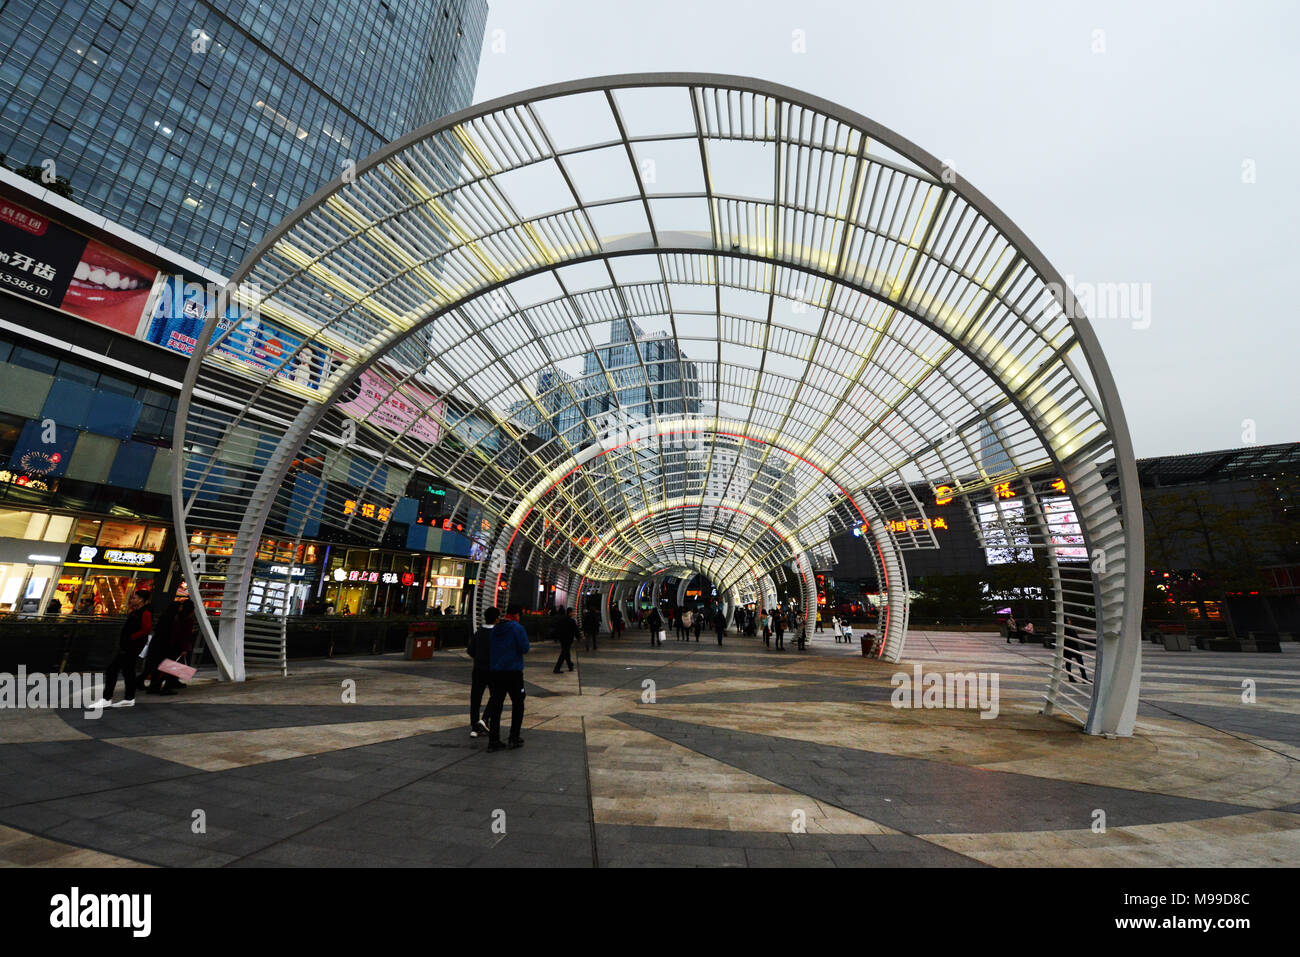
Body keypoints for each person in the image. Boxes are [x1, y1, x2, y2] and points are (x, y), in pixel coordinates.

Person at [90, 589, 152, 709]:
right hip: (130, 645)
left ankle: (108, 698)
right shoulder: (137, 612)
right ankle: (128, 698)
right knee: (127, 672)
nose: (132, 599)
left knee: (113, 670)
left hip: (131, 646)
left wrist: (131, 637)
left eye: (134, 598)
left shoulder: (144, 613)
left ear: (141, 600)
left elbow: (146, 628)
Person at [485, 603, 530, 751]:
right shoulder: (517, 628)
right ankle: (514, 737)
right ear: (517, 615)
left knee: (496, 706)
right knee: (518, 704)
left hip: (496, 672)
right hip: (513, 672)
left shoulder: (495, 628)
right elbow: (525, 648)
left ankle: (494, 740)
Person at [146, 598, 196, 695]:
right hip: (172, 646)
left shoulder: (169, 617)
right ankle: (166, 687)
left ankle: (155, 686)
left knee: (161, 666)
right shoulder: (183, 620)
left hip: (162, 645)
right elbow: (183, 635)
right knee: (172, 667)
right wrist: (184, 648)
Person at [466, 607, 497, 736]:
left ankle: (474, 726)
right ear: (496, 618)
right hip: (493, 670)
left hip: (478, 669)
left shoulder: (478, 633)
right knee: (496, 696)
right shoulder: (497, 634)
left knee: (475, 698)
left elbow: (470, 651)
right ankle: (485, 719)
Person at [552, 605, 579, 673]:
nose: (573, 613)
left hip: (562, 638)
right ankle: (557, 668)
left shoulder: (562, 620)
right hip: (568, 639)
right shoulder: (571, 621)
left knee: (566, 652)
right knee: (564, 653)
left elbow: (557, 628)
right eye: (572, 612)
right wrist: (578, 637)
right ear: (569, 612)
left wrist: (557, 637)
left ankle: (570, 665)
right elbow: (575, 630)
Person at [1063, 618, 1088, 683]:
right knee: (1070, 663)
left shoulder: (1069, 628)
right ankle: (1072, 678)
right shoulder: (1065, 629)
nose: (1069, 621)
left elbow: (1075, 637)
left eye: (1069, 620)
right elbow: (1074, 637)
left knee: (1079, 663)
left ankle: (1084, 678)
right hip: (1069, 648)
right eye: (1068, 620)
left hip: (1073, 647)